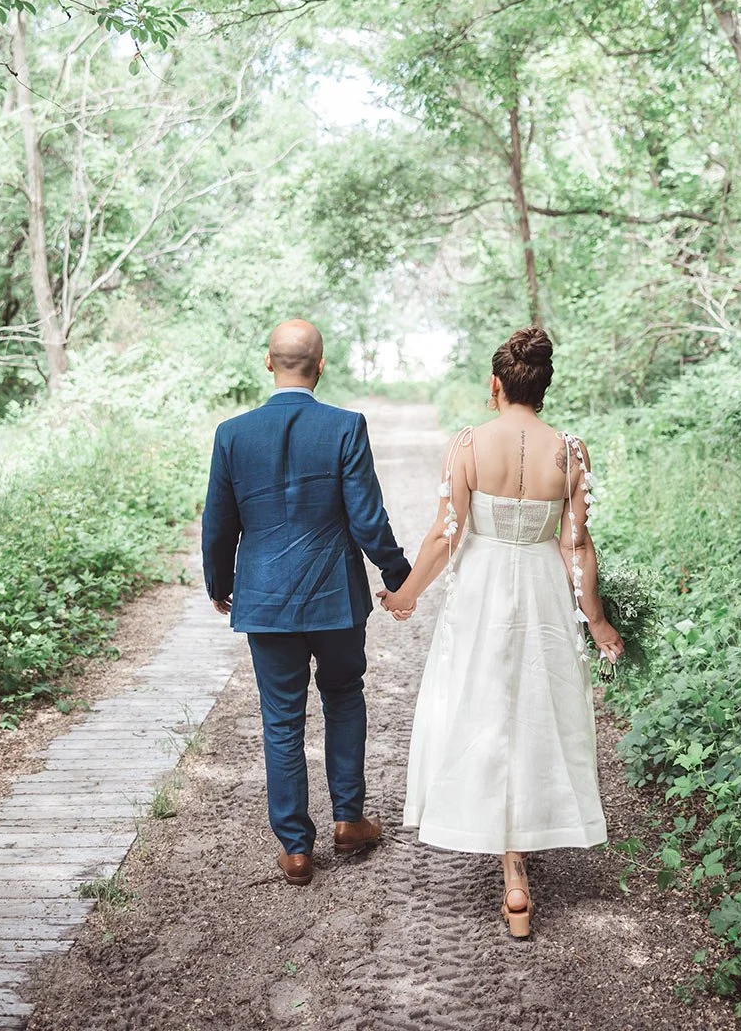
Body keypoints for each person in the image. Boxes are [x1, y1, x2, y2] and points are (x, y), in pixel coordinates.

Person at [384, 326, 625, 938]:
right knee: (538, 707)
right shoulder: (570, 451)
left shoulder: (467, 444)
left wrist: (407, 594)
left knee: (482, 702)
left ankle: (507, 861)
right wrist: (597, 621)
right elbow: (576, 545)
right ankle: (521, 854)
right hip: (543, 588)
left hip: (482, 590)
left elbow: (446, 535)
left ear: (496, 384)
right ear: (543, 386)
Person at [202, 319, 412, 885]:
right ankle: (348, 819)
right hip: (334, 597)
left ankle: (296, 849)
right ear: (321, 366)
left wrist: (219, 582)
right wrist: (399, 576)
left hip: (266, 601)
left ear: (268, 363)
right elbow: (367, 518)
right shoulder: (345, 426)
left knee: (281, 719)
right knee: (343, 696)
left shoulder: (232, 434)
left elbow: (218, 522)